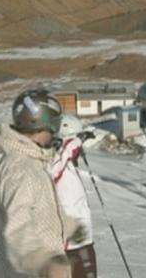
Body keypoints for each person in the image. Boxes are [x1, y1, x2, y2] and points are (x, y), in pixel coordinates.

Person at [0, 89, 80, 278]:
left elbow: (38, 211)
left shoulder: (30, 162)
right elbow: (17, 228)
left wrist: (70, 226)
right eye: (55, 125)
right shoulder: (21, 169)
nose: (56, 132)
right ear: (41, 124)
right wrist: (47, 264)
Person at [49, 115, 97, 278]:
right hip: (68, 245)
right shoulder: (55, 162)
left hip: (83, 240)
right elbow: (53, 171)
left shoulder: (68, 165)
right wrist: (73, 143)